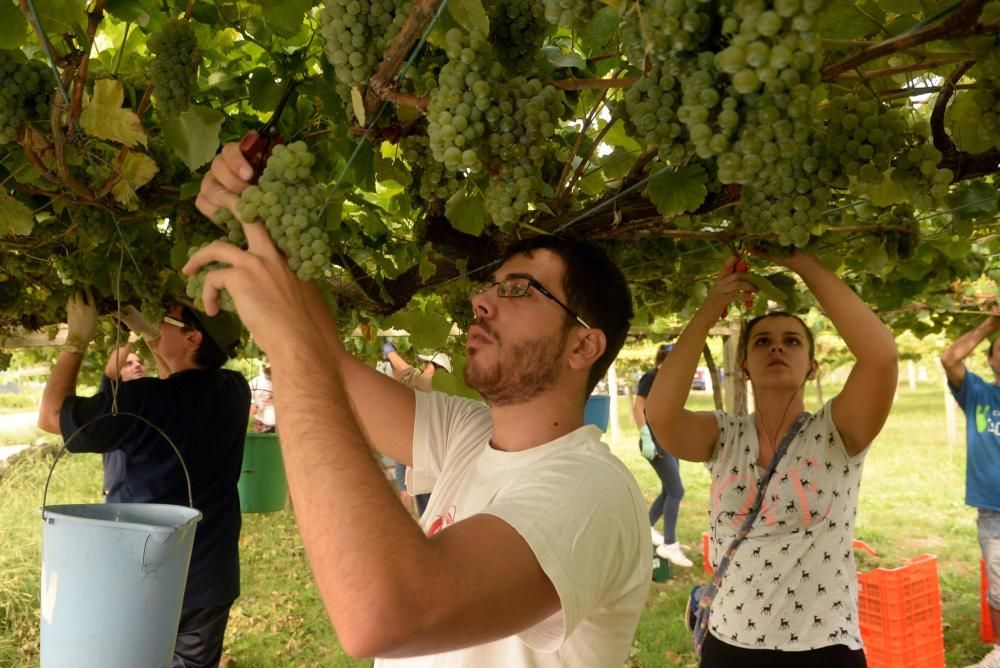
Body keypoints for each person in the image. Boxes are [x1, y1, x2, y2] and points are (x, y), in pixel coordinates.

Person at [189, 141, 650, 666]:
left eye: (519, 290)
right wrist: (257, 208)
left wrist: (288, 344)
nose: (480, 300)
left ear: (583, 344)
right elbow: (330, 363)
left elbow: (382, 616)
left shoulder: (593, 492)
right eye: (490, 286)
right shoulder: (467, 432)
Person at [645, 253, 897, 666]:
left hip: (823, 646)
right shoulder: (724, 436)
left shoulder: (837, 432)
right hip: (730, 644)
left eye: (792, 341)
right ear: (743, 366)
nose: (777, 347)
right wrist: (711, 308)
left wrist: (799, 260)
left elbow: (880, 357)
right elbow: (662, 416)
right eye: (762, 341)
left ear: (812, 368)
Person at [37, 291, 250, 668]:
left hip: (143, 576)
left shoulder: (143, 401)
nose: (157, 320)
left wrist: (76, 340)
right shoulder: (235, 390)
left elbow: (52, 416)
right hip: (210, 575)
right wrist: (150, 332)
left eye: (166, 318)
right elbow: (181, 384)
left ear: (193, 338)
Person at [941, 307, 1000, 668]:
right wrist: (991, 324)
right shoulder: (977, 393)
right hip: (993, 511)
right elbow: (949, 358)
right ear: (992, 360)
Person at [633, 343, 692, 567]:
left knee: (669, 489)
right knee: (677, 491)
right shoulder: (650, 377)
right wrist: (645, 435)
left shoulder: (668, 380)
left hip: (668, 439)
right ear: (664, 360)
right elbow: (638, 407)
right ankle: (669, 544)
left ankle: (645, 528)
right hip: (655, 441)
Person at [383, 342, 453, 515]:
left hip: (425, 465)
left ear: (438, 369)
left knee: (431, 515)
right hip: (439, 466)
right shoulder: (449, 393)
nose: (425, 368)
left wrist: (389, 351)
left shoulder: (429, 387)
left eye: (429, 365)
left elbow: (407, 373)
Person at [98, 343, 146, 497]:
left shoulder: (151, 398)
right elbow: (110, 376)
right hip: (120, 492)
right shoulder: (111, 401)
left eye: (140, 362)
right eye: (128, 364)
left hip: (146, 492)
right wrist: (128, 336)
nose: (138, 366)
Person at [250, 361, 275, 433]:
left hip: (280, 419)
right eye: (268, 369)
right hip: (259, 416)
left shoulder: (283, 381)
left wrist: (275, 400)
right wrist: (252, 404)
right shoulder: (255, 382)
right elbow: (247, 398)